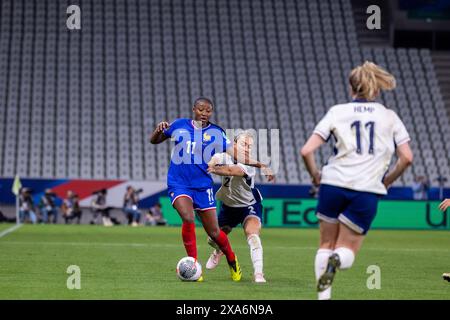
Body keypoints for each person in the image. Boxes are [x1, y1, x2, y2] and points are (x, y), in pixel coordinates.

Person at [300, 61, 413, 300]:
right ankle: (337, 261)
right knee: (347, 250)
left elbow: (306, 151)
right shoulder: (389, 117)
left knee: (325, 243)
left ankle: (323, 297)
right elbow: (406, 158)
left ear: (351, 87)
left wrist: (316, 177)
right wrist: (387, 181)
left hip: (332, 183)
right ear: (377, 88)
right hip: (366, 189)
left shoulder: (337, 111)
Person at [150, 97, 273, 282]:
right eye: (201, 109)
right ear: (194, 109)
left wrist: (261, 164)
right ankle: (193, 265)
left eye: (208, 111)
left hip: (203, 187)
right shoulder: (179, 125)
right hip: (179, 183)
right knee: (188, 217)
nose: (204, 113)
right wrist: (158, 130)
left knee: (214, 233)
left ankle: (232, 260)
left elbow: (237, 155)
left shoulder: (216, 133)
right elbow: (154, 140)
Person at [206, 131, 266, 283]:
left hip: (248, 206)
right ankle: (219, 250)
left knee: (252, 235)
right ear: (233, 144)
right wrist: (211, 164)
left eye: (249, 146)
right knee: (212, 239)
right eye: (243, 144)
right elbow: (214, 159)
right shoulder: (224, 156)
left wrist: (215, 169)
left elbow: (233, 170)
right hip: (228, 206)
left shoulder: (249, 164)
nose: (247, 149)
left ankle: (259, 273)